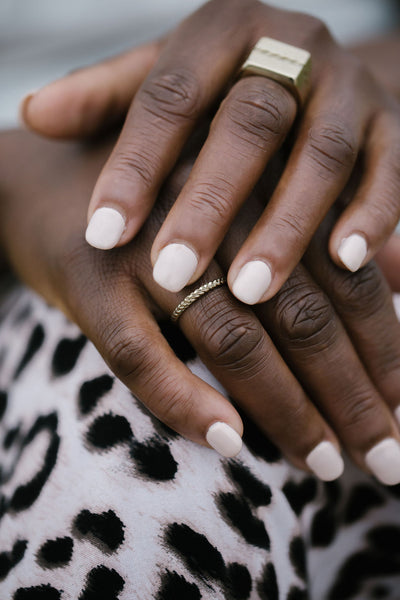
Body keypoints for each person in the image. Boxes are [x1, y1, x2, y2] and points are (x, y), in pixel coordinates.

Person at [1, 1, 400, 597]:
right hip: (40, 211)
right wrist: (18, 178)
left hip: (357, 138)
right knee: (137, 479)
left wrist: (335, 84)